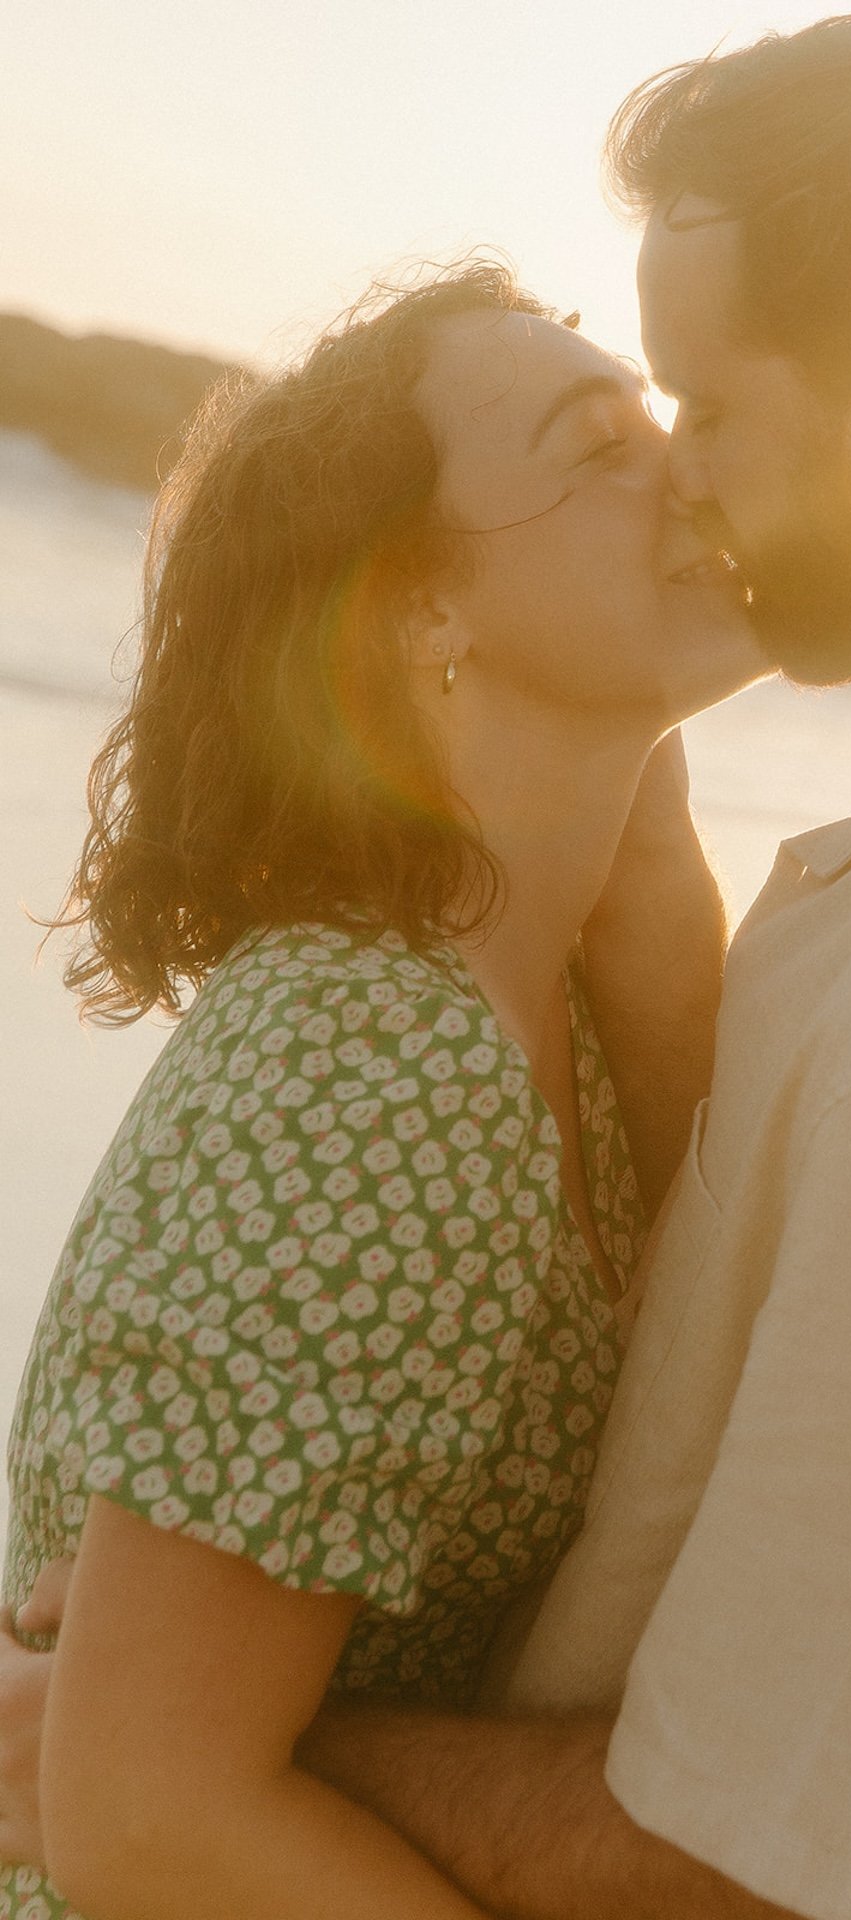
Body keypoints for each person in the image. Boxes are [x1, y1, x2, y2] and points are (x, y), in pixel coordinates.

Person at [1, 14, 851, 1920]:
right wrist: (667, 961)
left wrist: (167, 1738)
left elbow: (747, 1877)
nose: (689, 478)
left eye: (704, 405)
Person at [0, 258, 761, 1919]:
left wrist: (641, 844)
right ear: (426, 609)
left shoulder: (531, 1003)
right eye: (596, 439)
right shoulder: (382, 1065)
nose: (687, 465)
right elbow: (148, 1827)